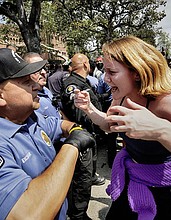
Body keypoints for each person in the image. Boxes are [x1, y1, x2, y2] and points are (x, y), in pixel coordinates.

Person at [74, 35, 171, 220]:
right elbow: (110, 125)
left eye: (112, 72)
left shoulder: (165, 100)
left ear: (136, 72)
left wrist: (160, 130)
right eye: (105, 71)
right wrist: (89, 109)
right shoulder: (120, 96)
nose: (105, 78)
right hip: (135, 181)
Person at [0, 48, 95, 220]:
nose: (37, 86)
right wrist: (72, 146)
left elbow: (60, 124)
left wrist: (74, 129)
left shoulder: (31, 118)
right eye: (26, 82)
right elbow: (29, 214)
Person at [60, 53, 105, 220]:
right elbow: (79, 115)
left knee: (86, 177)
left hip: (88, 136)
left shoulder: (82, 82)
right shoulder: (73, 84)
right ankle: (78, 215)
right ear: (86, 64)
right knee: (82, 180)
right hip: (81, 138)